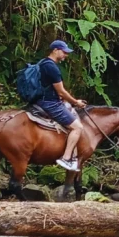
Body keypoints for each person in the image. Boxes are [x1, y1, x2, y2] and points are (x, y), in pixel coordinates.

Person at [37, 40, 87, 171]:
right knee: (77, 127)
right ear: (55, 50)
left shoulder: (43, 63)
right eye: (64, 52)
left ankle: (74, 157)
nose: (66, 55)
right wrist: (76, 102)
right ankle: (66, 158)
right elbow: (61, 91)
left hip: (41, 99)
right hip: (50, 103)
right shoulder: (52, 67)